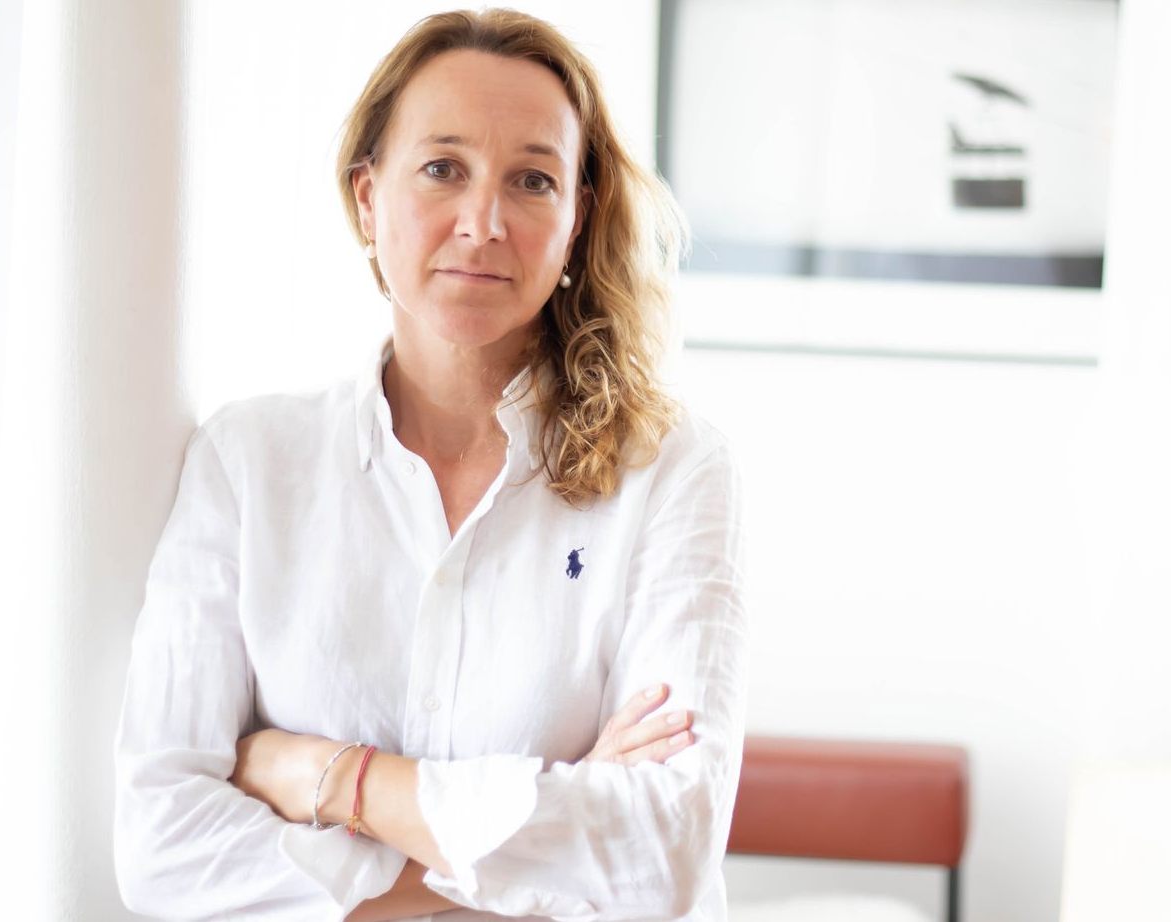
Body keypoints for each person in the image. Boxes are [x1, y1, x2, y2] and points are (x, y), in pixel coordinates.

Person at [113, 9, 747, 921]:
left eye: (532, 180)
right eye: (443, 168)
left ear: (575, 221)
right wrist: (543, 847)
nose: (483, 223)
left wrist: (330, 778)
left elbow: (661, 853)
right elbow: (162, 848)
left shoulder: (672, 470)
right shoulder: (247, 463)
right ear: (368, 198)